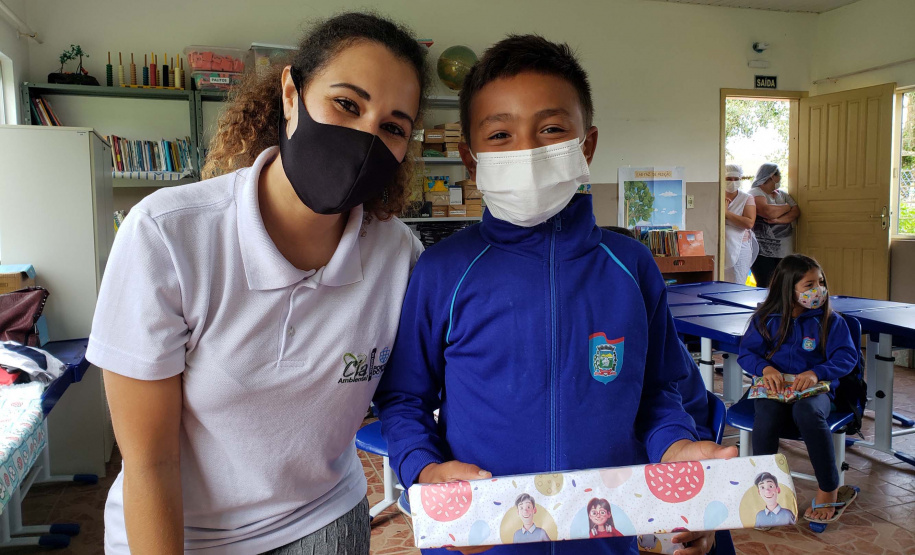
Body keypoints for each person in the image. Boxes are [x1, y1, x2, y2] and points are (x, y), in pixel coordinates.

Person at [374, 34, 735, 555]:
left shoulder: (631, 267)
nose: (527, 150)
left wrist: (675, 448)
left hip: (608, 540)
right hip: (480, 542)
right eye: (500, 134)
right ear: (471, 160)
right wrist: (425, 470)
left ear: (586, 145)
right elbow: (404, 398)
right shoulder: (442, 271)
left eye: (550, 129)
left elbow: (659, 391)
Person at [87, 13, 429, 555]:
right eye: (347, 104)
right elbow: (150, 460)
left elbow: (412, 392)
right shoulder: (168, 236)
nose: (365, 137)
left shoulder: (399, 255)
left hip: (320, 514)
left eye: (393, 127)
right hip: (186, 530)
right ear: (291, 94)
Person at [738, 254, 857, 522]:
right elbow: (746, 354)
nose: (819, 290)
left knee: (807, 412)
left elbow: (847, 357)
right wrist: (765, 369)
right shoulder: (765, 319)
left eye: (821, 282)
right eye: (809, 285)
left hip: (816, 390)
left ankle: (829, 488)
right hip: (775, 389)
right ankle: (766, 492)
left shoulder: (830, 321)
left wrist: (816, 373)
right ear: (788, 288)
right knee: (766, 415)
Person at [749, 163, 799, 287]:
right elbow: (768, 212)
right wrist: (786, 207)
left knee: (782, 284)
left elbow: (796, 212)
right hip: (763, 251)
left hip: (784, 250)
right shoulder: (755, 192)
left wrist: (778, 220)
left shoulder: (782, 194)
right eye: (779, 175)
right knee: (765, 284)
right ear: (771, 176)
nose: (780, 178)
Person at [723, 164, 758, 284]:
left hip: (740, 247)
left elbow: (749, 223)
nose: (732, 182)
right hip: (719, 245)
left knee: (737, 281)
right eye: (729, 179)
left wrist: (726, 214)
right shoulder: (716, 196)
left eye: (736, 179)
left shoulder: (746, 198)